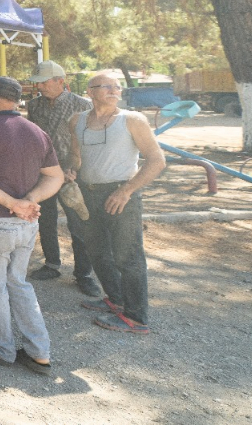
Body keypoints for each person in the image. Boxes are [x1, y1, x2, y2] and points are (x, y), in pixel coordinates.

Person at [0, 77, 63, 374]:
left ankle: (2, 349)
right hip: (26, 222)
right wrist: (29, 200)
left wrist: (14, 203)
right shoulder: (36, 131)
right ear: (17, 99)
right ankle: (40, 351)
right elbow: (55, 176)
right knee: (19, 283)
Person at [69, 73, 166, 335]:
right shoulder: (77, 120)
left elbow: (157, 160)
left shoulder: (132, 120)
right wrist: (71, 169)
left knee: (128, 257)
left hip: (121, 194)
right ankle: (116, 299)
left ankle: (137, 318)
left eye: (117, 87)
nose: (114, 90)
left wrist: (126, 191)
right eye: (107, 86)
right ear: (90, 91)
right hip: (88, 194)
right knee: (97, 251)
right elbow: (76, 156)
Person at [24, 60, 99, 295]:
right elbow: (33, 139)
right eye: (37, 83)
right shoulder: (34, 105)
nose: (39, 87)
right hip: (44, 173)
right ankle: (52, 264)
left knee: (79, 224)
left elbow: (89, 142)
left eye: (44, 82)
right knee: (45, 221)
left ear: (60, 81)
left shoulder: (82, 105)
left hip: (73, 175)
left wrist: (74, 168)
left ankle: (84, 274)